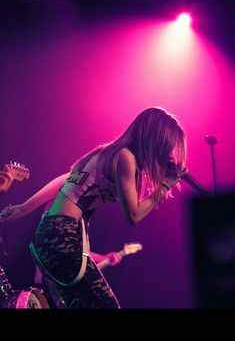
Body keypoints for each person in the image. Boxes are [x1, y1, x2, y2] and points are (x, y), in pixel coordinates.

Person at [0, 106, 187, 308]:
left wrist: (24, 207)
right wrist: (164, 186)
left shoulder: (104, 154)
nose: (168, 156)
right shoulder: (125, 157)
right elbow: (133, 215)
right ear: (156, 142)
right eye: (167, 148)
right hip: (64, 237)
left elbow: (67, 182)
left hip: (48, 236)